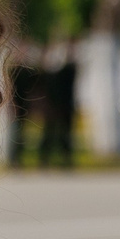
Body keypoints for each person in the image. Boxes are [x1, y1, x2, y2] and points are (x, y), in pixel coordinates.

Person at [39, 40, 79, 168]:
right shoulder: (51, 72)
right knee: (49, 133)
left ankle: (65, 158)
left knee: (65, 134)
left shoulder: (68, 69)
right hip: (52, 106)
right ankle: (45, 158)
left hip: (65, 105)